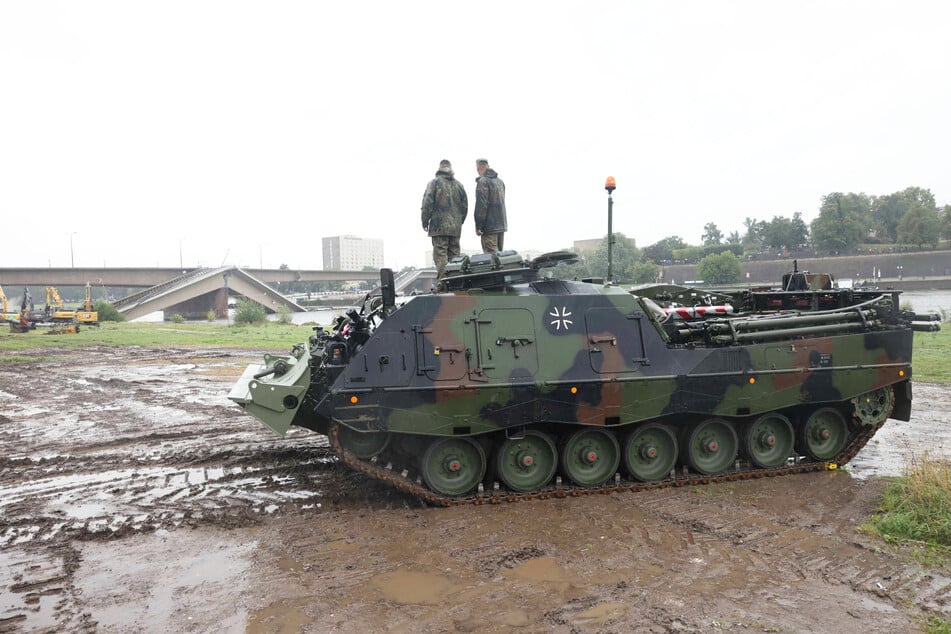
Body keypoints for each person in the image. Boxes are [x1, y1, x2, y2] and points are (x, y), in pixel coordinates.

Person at [421, 159, 468, 280]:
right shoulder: (459, 185)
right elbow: (465, 205)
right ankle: (457, 280)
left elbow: (428, 203)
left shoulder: (434, 183)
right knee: (455, 256)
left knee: (440, 254)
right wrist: (459, 221)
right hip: (455, 227)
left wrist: (425, 221)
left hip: (439, 226)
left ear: (439, 168)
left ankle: (444, 280)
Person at [474, 158, 507, 253]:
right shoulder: (500, 182)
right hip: (501, 225)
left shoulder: (482, 182)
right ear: (488, 166)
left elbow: (482, 205)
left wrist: (479, 225)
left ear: (478, 169)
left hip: (489, 227)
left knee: (491, 257)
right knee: (500, 257)